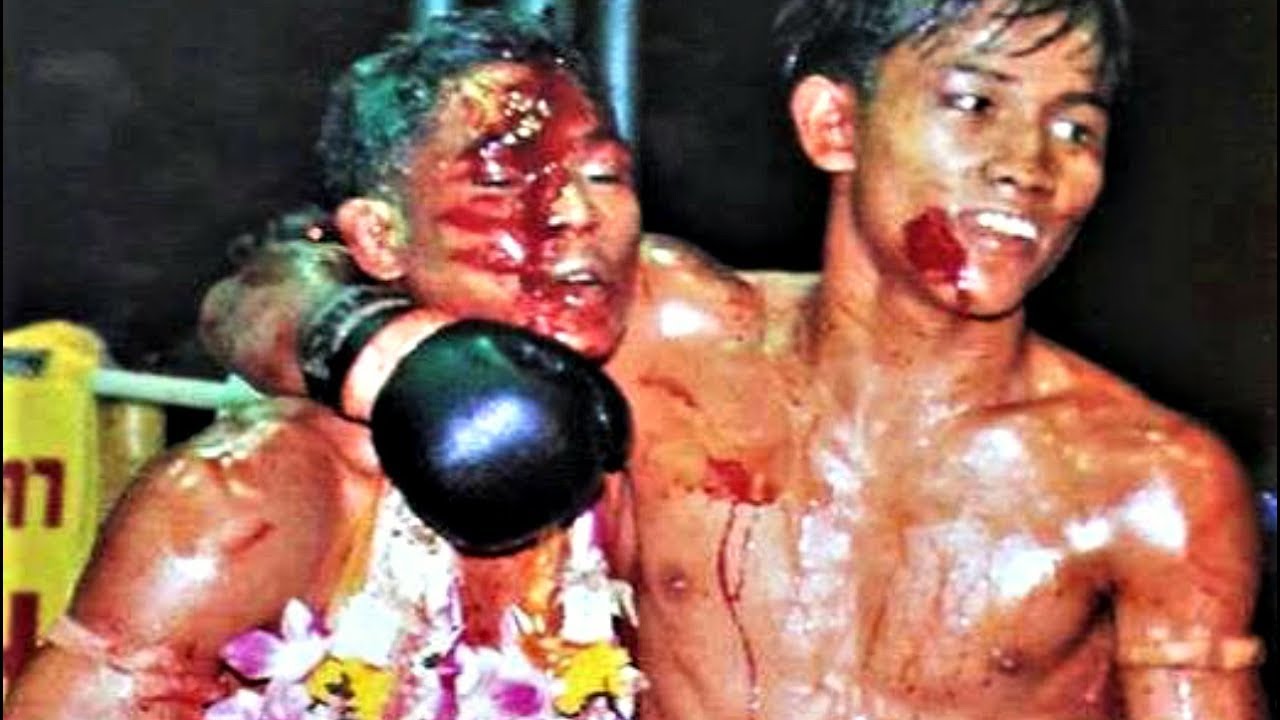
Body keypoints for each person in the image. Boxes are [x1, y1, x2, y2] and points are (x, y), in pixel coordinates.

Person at [186, 0, 1268, 718]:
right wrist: (377, 349)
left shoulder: (1151, 484)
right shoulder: (659, 331)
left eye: (1075, 129)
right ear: (833, 124)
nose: (1026, 166)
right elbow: (267, 280)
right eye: (974, 103)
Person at [4, 12, 658, 719]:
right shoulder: (245, 499)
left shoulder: (678, 430)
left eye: (603, 173)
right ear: (380, 237)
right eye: (502, 180)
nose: (575, 211)